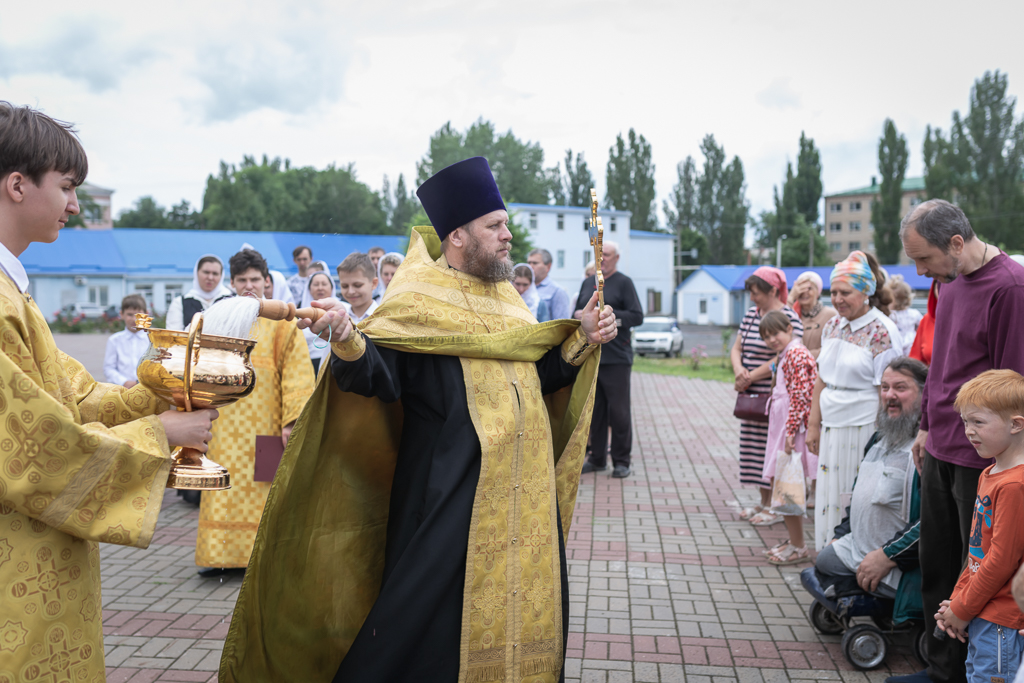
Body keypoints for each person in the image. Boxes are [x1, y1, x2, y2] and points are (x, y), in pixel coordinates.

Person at [219, 156, 617, 682]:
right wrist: (348, 338)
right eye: (495, 225)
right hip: (449, 497)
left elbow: (530, 379)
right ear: (458, 236)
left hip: (525, 500)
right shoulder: (414, 302)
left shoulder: (509, 302)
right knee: (427, 639)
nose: (508, 235)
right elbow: (380, 377)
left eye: (505, 224)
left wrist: (580, 338)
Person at [0, 101, 217, 681]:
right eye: (67, 187)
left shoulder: (13, 293)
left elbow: (74, 396)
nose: (75, 205)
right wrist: (160, 433)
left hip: (40, 555)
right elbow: (34, 451)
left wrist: (163, 388)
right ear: (17, 185)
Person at [888, 199, 1024, 683]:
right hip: (941, 445)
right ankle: (940, 667)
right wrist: (926, 425)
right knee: (937, 564)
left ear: (957, 242)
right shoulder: (948, 283)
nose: (921, 272)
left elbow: (1012, 386)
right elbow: (940, 364)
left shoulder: (1009, 288)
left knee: (979, 569)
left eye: (924, 259)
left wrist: (1004, 461)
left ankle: (976, 672)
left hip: (981, 457)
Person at [194, 248, 315, 577]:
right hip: (223, 424)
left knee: (263, 488)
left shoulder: (282, 325)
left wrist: (291, 421)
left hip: (266, 422)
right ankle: (218, 555)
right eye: (242, 280)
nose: (249, 286)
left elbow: (297, 375)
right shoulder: (218, 319)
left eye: (255, 280)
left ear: (266, 282)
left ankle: (257, 558)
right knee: (221, 486)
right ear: (232, 283)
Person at [934, 370, 1024, 683]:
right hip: (982, 608)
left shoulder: (1014, 485)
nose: (968, 431)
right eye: (964, 422)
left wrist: (962, 609)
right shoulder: (990, 473)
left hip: (1002, 618)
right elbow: (976, 552)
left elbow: (1001, 560)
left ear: (1016, 424)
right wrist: (957, 601)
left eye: (978, 422)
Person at [815, 358, 928, 605]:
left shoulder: (925, 451)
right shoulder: (878, 439)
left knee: (827, 573)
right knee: (824, 561)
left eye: (900, 388)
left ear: (925, 394)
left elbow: (932, 521)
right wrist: (841, 534)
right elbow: (858, 494)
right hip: (859, 550)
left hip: (898, 563)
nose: (889, 395)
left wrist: (888, 557)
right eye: (884, 387)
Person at [808, 251, 901, 551]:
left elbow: (888, 390)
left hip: (863, 427)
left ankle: (852, 557)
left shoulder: (881, 330)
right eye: (833, 292)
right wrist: (813, 424)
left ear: (865, 292)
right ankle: (827, 554)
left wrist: (885, 439)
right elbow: (821, 377)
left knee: (853, 493)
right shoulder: (832, 326)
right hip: (831, 425)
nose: (837, 299)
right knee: (829, 494)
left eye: (845, 292)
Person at [730, 267, 803, 524]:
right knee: (754, 450)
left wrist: (751, 375)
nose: (752, 298)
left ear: (773, 290)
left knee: (775, 449)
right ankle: (763, 502)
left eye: (756, 293)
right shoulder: (751, 315)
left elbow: (787, 352)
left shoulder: (789, 317)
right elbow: (736, 348)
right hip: (750, 395)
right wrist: (739, 371)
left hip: (775, 395)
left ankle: (777, 507)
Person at [576, 239, 644, 478]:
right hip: (591, 356)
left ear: (616, 258)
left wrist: (610, 319)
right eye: (599, 253)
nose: (602, 258)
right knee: (594, 411)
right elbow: (578, 311)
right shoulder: (588, 283)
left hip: (616, 357)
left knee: (619, 412)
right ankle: (596, 458)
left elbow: (637, 316)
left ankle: (621, 461)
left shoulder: (624, 282)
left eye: (606, 254)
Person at [760, 311, 817, 565]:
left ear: (789, 328)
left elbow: (801, 395)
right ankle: (795, 541)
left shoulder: (795, 353)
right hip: (786, 427)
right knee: (784, 484)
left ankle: (798, 545)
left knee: (787, 485)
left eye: (776, 333)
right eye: (767, 336)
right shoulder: (787, 353)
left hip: (792, 430)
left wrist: (791, 431)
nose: (772, 339)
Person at [165, 254, 233, 331]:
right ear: (196, 272)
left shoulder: (231, 300)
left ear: (221, 275)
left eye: (215, 273)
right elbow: (174, 334)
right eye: (206, 272)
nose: (210, 277)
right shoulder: (180, 303)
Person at [104, 293, 150, 387]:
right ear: (121, 314)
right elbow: (108, 368)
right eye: (129, 314)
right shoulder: (114, 340)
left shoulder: (152, 339)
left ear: (146, 314)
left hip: (148, 389)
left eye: (138, 315)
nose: (134, 319)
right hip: (123, 390)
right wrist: (124, 382)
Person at [787, 270, 836, 358]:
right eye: (800, 288)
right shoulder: (793, 314)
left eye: (809, 288)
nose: (804, 292)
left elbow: (832, 348)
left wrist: (801, 357)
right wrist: (791, 297)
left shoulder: (830, 315)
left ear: (818, 292)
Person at [301, 270, 336, 375]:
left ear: (331, 287)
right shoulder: (302, 314)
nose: (320, 288)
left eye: (324, 284)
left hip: (335, 362)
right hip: (308, 365)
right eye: (316, 284)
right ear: (309, 289)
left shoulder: (344, 309)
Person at [528, 247, 572, 319]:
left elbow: (561, 323)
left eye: (535, 263)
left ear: (548, 267)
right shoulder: (522, 287)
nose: (530, 266)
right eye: (529, 263)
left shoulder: (557, 292)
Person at [336, 252, 379, 323]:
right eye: (344, 286)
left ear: (374, 283)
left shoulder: (384, 318)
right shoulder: (338, 317)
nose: (350, 291)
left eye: (357, 285)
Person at [888, 275, 922, 355]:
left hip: (894, 348)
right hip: (911, 348)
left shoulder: (890, 315)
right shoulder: (914, 314)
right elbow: (922, 328)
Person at [908, 280, 938, 366]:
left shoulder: (965, 319)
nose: (942, 291)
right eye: (938, 287)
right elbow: (915, 360)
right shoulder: (927, 320)